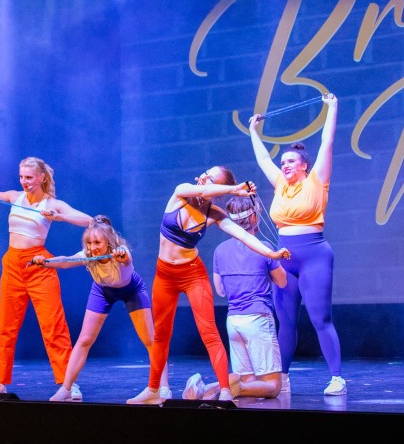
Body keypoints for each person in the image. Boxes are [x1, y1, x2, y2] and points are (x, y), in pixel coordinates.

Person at [127, 166, 290, 405]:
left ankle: (225, 390)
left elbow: (244, 236)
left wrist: (272, 254)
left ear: (218, 190)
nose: (204, 177)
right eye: (206, 173)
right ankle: (154, 389)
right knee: (160, 334)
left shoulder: (213, 213)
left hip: (192, 274)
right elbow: (200, 189)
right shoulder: (181, 193)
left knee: (209, 333)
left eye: (211, 178)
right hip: (165, 275)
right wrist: (235, 189)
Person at [248, 91, 345, 396]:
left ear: (304, 165)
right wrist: (253, 131)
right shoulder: (280, 185)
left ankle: (337, 377)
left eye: (290, 161)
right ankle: (283, 378)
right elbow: (263, 158)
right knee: (285, 322)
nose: (285, 165)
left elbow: (327, 143)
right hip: (284, 257)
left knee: (320, 318)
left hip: (314, 255)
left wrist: (332, 108)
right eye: (283, 162)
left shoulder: (317, 180)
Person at [0, 156, 92, 395]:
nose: (24, 182)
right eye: (21, 177)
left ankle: (67, 382)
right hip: (12, 264)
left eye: (29, 177)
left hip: (38, 264)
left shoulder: (52, 203)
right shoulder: (15, 196)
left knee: (53, 325)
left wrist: (59, 216)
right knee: (6, 325)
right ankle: (0, 380)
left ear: (42, 177)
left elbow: (88, 220)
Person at [31, 215, 172, 402]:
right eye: (89, 242)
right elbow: (66, 261)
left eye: (97, 242)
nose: (92, 247)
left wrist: (122, 255)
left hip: (132, 291)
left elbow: (126, 257)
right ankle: (66, 389)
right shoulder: (88, 256)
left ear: (108, 242)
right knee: (84, 340)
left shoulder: (120, 252)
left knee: (150, 339)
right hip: (102, 291)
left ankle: (163, 388)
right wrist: (46, 262)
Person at [182, 195, 287, 401]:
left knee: (247, 384)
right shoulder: (263, 247)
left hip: (234, 321)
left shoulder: (220, 251)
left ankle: (210, 389)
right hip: (258, 318)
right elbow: (282, 282)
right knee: (273, 386)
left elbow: (220, 290)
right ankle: (215, 388)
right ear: (254, 218)